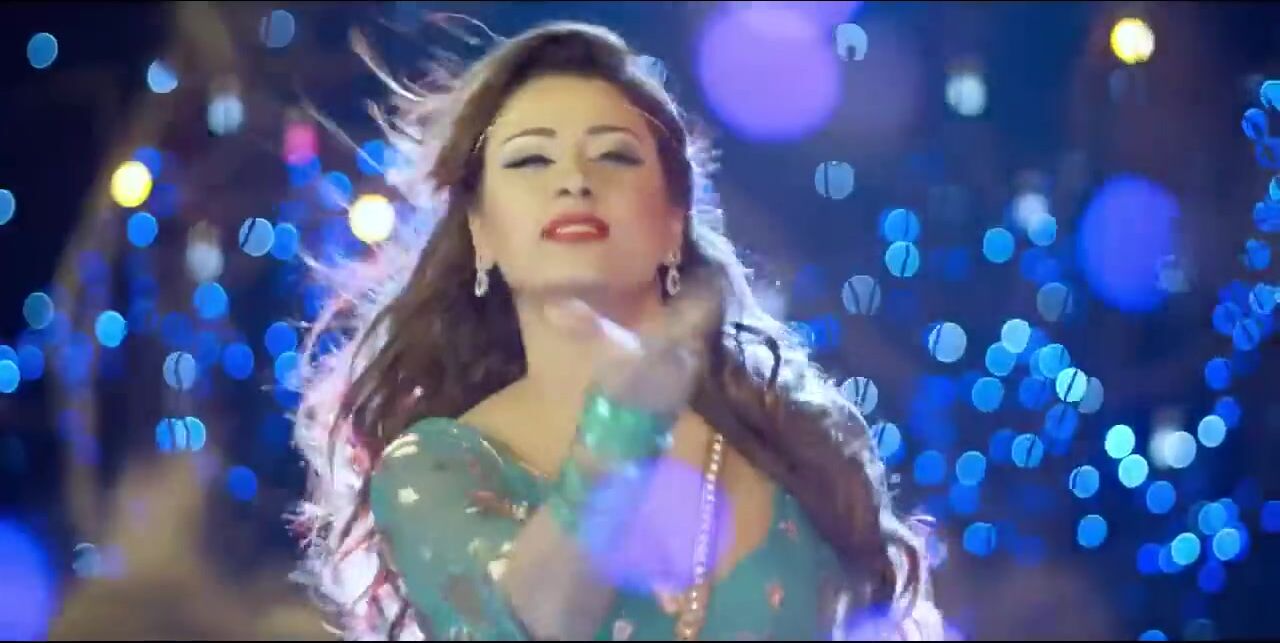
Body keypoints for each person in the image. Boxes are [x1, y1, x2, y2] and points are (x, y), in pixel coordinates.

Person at [291, 20, 942, 641]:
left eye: (614, 155)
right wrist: (623, 428)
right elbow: (538, 621)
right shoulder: (435, 466)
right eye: (530, 160)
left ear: (673, 223)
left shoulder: (790, 444)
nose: (575, 181)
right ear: (480, 233)